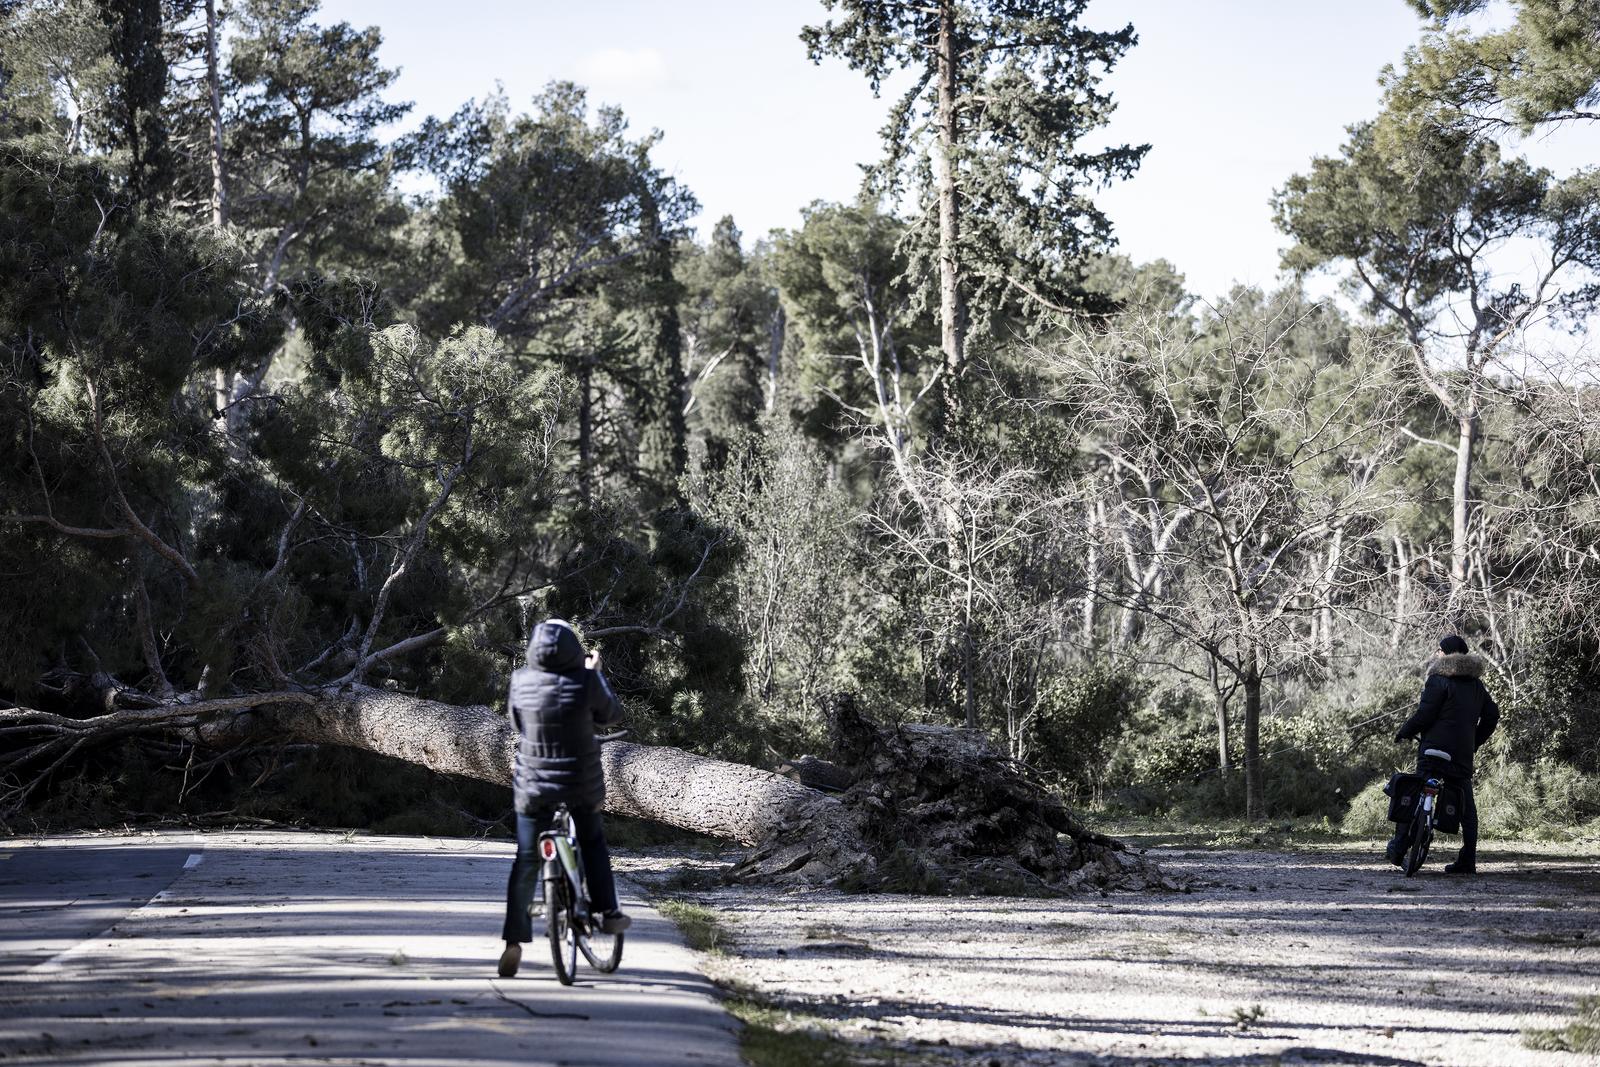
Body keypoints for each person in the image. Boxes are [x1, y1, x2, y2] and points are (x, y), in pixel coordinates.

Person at [498, 618, 630, 978]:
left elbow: (517, 724)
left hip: (533, 784)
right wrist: (595, 675)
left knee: (526, 859)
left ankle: (513, 940)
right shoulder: (587, 680)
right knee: (591, 841)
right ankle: (608, 912)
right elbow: (611, 715)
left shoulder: (520, 681)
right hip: (579, 784)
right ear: (574, 647)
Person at [1387, 634, 1500, 874]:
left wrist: (1404, 732)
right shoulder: (1477, 686)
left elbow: (1424, 715)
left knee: (1415, 789)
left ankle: (1399, 847)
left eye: (1439, 650)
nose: (1436, 653)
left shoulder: (1437, 680)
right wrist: (1474, 742)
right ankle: (1468, 861)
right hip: (1460, 755)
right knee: (1467, 808)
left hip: (1433, 750)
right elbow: (1492, 715)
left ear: (1447, 654)